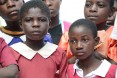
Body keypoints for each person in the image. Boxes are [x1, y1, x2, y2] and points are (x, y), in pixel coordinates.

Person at [10, 0, 67, 78]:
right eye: (29, 20)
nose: (35, 24)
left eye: (42, 20)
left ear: (49, 24)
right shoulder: (11, 53)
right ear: (21, 24)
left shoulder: (59, 53)